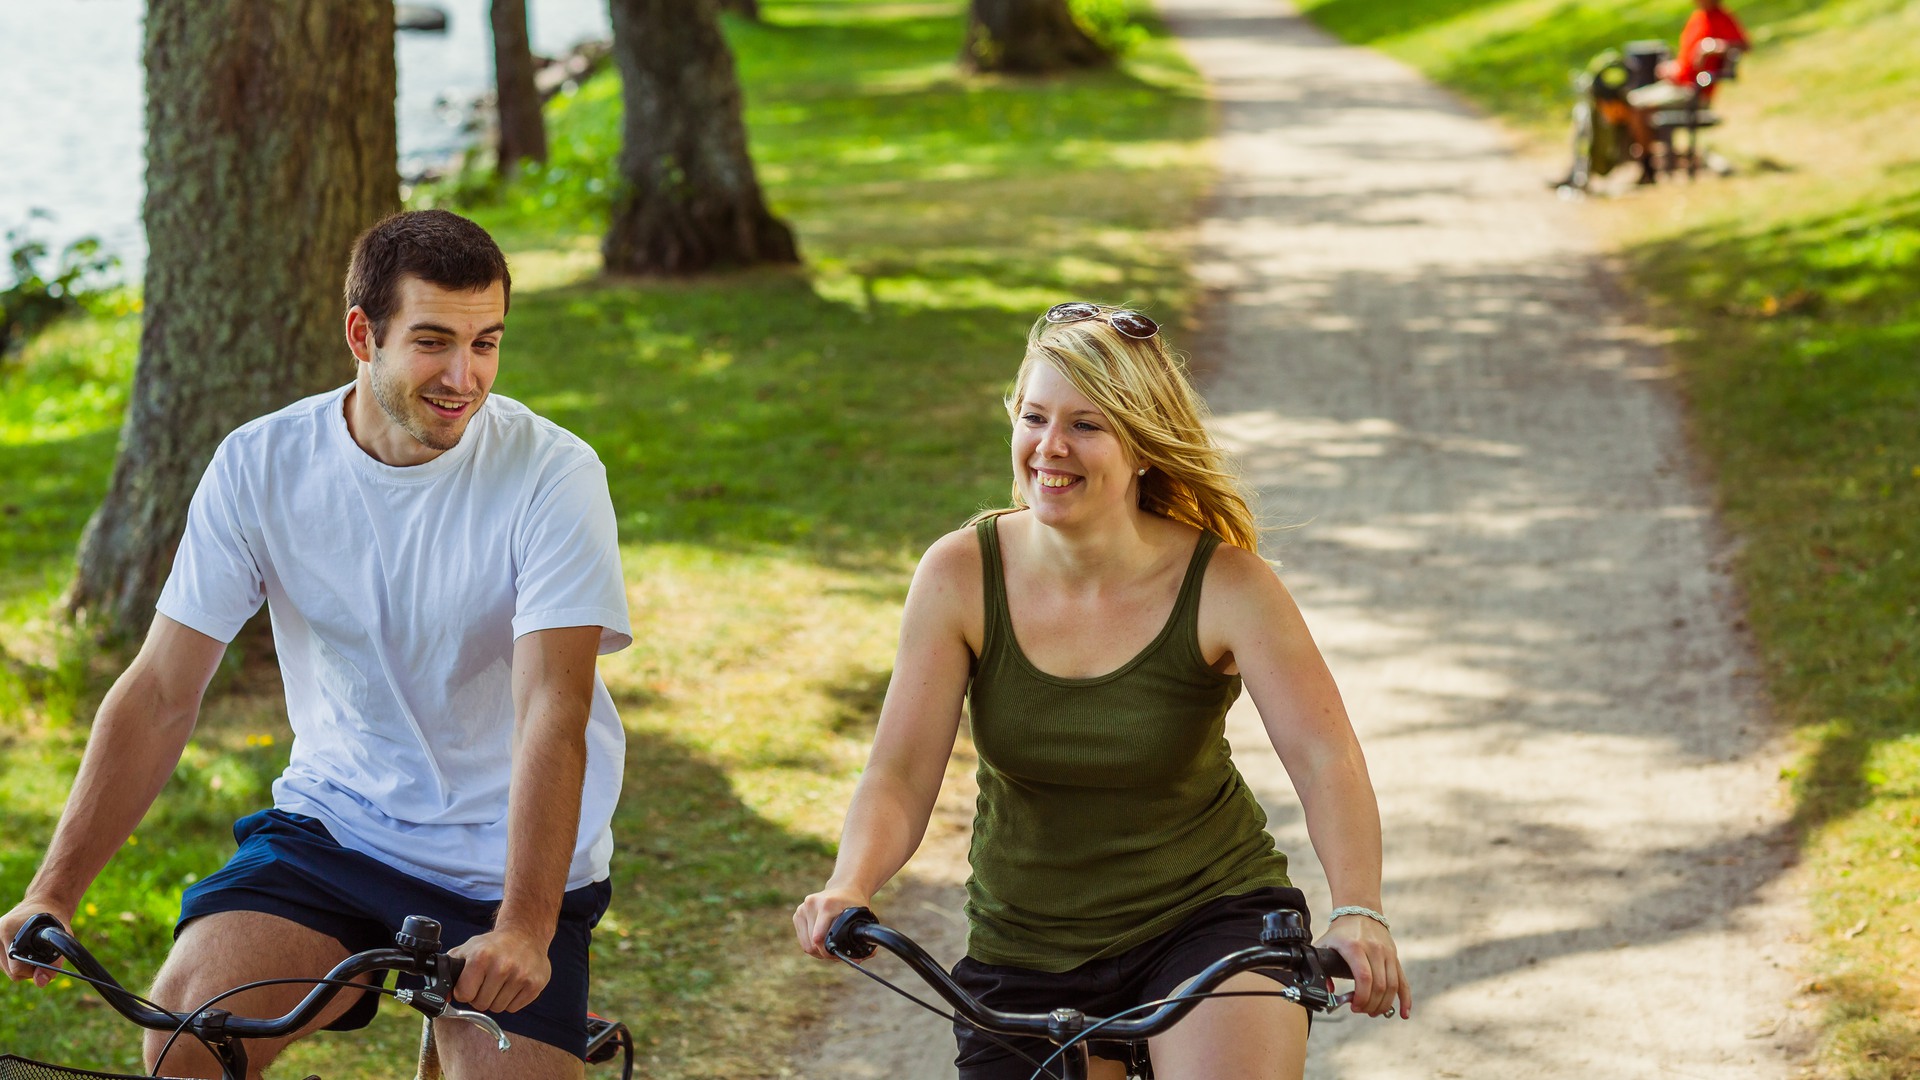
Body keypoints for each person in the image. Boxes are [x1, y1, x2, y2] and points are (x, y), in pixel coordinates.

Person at [0, 210, 631, 1079]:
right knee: (187, 1039)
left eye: (487, 343)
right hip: (339, 828)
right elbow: (160, 691)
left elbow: (552, 709)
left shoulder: (554, 475)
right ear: (361, 334)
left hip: (503, 861)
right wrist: (54, 890)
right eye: (434, 341)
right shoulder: (261, 465)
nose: (464, 376)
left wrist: (524, 928)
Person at [793, 303, 1409, 1080]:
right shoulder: (958, 575)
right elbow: (902, 771)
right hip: (1024, 946)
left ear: (1143, 446)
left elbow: (1326, 758)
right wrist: (850, 882)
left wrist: (1358, 907)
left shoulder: (1226, 585)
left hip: (1206, 921)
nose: (1051, 447)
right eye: (1035, 417)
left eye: (1087, 425)